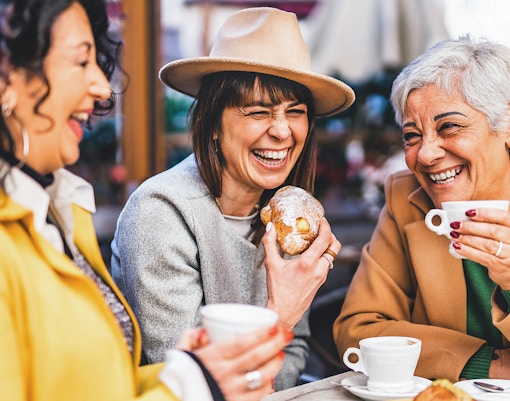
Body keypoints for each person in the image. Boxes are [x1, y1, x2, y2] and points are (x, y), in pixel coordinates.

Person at [0, 1, 296, 400]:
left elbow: (96, 386)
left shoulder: (58, 211)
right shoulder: (157, 210)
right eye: (80, 61)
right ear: (5, 78)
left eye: (296, 111)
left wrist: (190, 372)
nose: (103, 88)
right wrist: (197, 383)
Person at [111, 6, 353, 390]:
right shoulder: (160, 211)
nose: (282, 131)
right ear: (212, 124)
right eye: (258, 111)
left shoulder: (287, 216)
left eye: (296, 111)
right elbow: (187, 382)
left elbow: (294, 356)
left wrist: (286, 325)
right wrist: (282, 315)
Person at [334, 35, 510, 382]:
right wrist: (488, 366)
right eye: (412, 136)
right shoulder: (407, 198)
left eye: (449, 127)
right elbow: (358, 330)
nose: (425, 155)